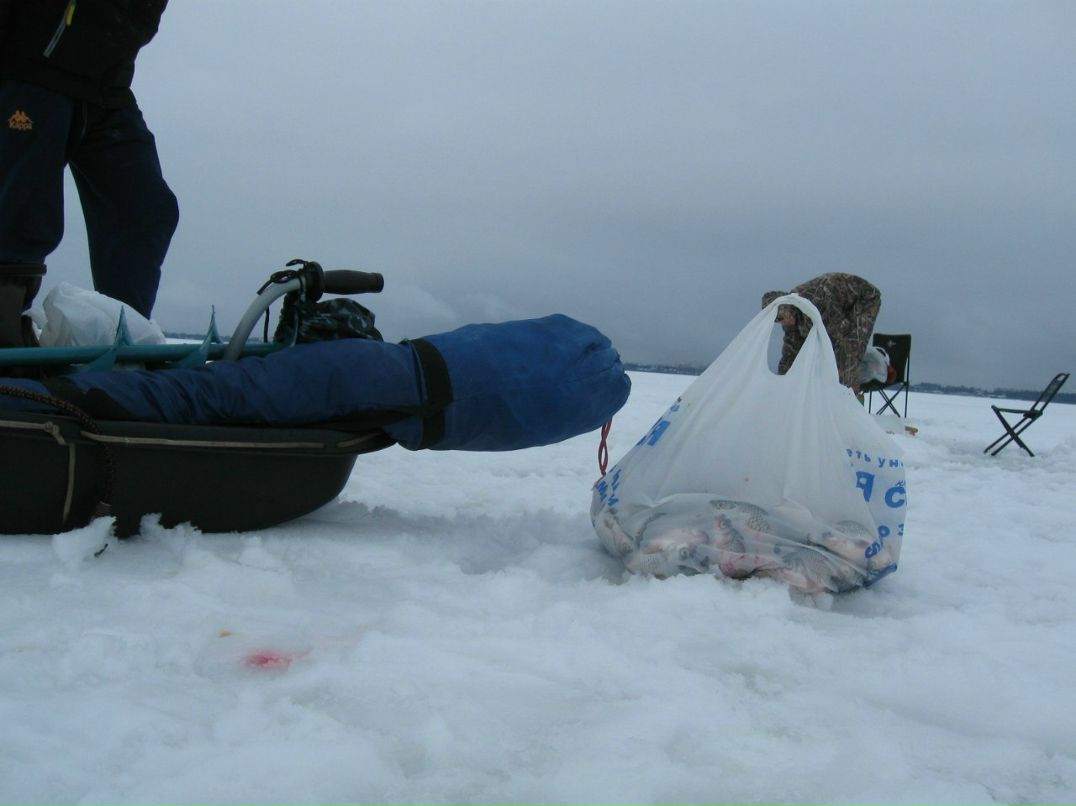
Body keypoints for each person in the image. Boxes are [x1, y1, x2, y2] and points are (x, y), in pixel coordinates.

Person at [0, 0, 178, 345]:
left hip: (107, 88)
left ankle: (124, 338)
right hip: (30, 72)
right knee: (24, 213)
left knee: (146, 208)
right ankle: (6, 342)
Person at [762, 273, 881, 392]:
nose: (782, 322)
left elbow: (841, 341)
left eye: (781, 318)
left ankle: (847, 397)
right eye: (776, 320)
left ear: (788, 308)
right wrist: (782, 386)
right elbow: (790, 354)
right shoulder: (791, 320)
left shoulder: (818, 303)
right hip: (838, 306)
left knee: (848, 350)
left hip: (865, 300)